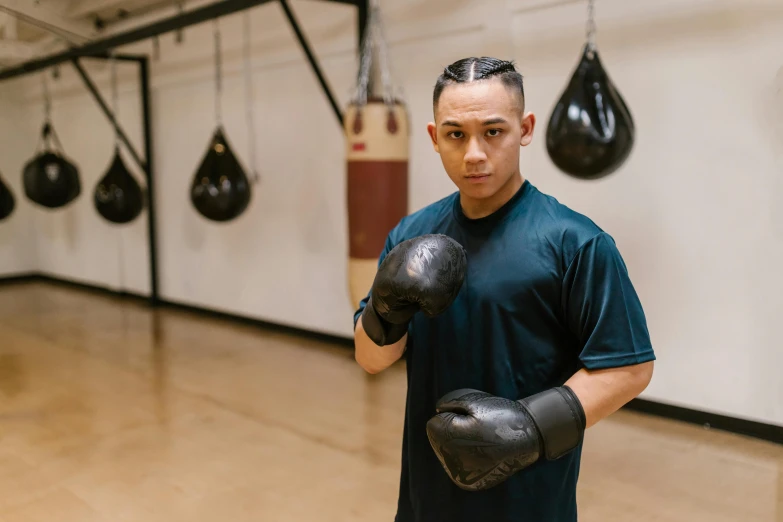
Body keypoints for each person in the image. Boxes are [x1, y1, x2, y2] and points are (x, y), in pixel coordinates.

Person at [352, 56, 655, 522]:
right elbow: (372, 359)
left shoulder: (575, 243)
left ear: (526, 128)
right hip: (425, 499)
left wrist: (530, 428)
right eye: (456, 134)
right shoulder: (410, 234)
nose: (474, 153)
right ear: (434, 138)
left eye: (493, 131)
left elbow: (629, 368)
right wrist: (384, 310)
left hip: (528, 502)